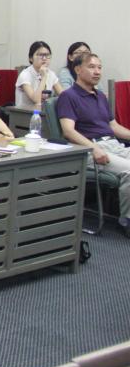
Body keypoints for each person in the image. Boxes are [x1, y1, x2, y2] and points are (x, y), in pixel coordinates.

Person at [56, 53, 130, 236]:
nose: (97, 71)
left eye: (99, 67)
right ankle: (126, 221)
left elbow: (113, 127)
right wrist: (94, 148)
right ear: (77, 69)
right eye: (91, 67)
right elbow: (68, 131)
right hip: (90, 150)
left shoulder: (100, 96)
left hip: (113, 145)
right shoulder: (68, 96)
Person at [16, 41, 62, 110]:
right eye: (40, 55)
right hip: (25, 113)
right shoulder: (25, 75)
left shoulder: (51, 73)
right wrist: (44, 77)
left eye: (47, 55)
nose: (44, 58)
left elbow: (63, 95)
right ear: (31, 58)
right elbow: (36, 100)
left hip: (44, 112)